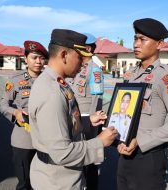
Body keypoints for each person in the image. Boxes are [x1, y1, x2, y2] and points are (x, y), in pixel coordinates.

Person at [28, 29, 118, 190]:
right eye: (80, 57)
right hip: (57, 181)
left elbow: (61, 121)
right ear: (64, 55)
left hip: (57, 176)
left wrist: (87, 120)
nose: (84, 63)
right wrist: (100, 142)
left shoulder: (55, 82)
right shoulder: (52, 92)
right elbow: (63, 153)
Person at [117, 18, 168, 190]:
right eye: (135, 38)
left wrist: (141, 141)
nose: (136, 44)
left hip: (147, 157)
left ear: (159, 44)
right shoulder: (130, 75)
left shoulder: (165, 77)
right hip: (123, 152)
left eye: (143, 39)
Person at [0, 40, 48, 190]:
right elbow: (3, 105)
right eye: (34, 57)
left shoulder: (50, 80)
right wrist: (15, 112)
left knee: (43, 183)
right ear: (26, 59)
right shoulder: (15, 81)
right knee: (24, 184)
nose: (38, 62)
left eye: (41, 58)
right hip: (24, 140)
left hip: (46, 139)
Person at [66, 32, 103, 190]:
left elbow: (97, 99)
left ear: (87, 48)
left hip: (89, 120)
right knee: (78, 157)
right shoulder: (76, 67)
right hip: (76, 119)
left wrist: (92, 125)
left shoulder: (95, 70)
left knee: (91, 160)